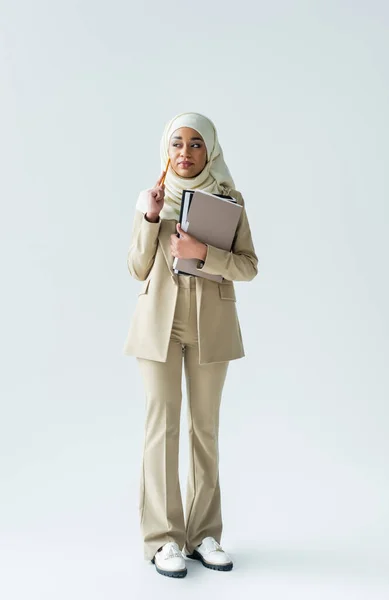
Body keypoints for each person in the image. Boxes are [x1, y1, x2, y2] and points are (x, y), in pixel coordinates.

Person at [123, 112, 258, 578]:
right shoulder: (153, 201)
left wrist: (203, 253)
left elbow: (248, 267)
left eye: (196, 144)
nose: (185, 152)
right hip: (158, 326)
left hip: (211, 325)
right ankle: (163, 541)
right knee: (162, 428)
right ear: (167, 150)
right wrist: (149, 217)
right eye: (177, 143)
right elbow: (137, 267)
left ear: (210, 150)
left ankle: (203, 535)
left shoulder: (229, 200)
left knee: (205, 429)